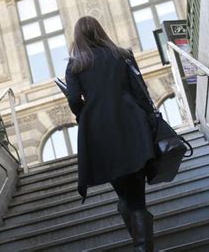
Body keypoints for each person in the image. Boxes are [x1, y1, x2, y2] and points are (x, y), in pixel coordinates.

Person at [65, 16, 155, 252]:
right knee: (135, 196)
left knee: (126, 196)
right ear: (100, 31)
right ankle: (143, 248)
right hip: (132, 126)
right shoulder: (122, 54)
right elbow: (140, 90)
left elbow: (74, 99)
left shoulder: (75, 65)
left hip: (100, 133)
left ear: (78, 37)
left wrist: (84, 112)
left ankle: (142, 247)